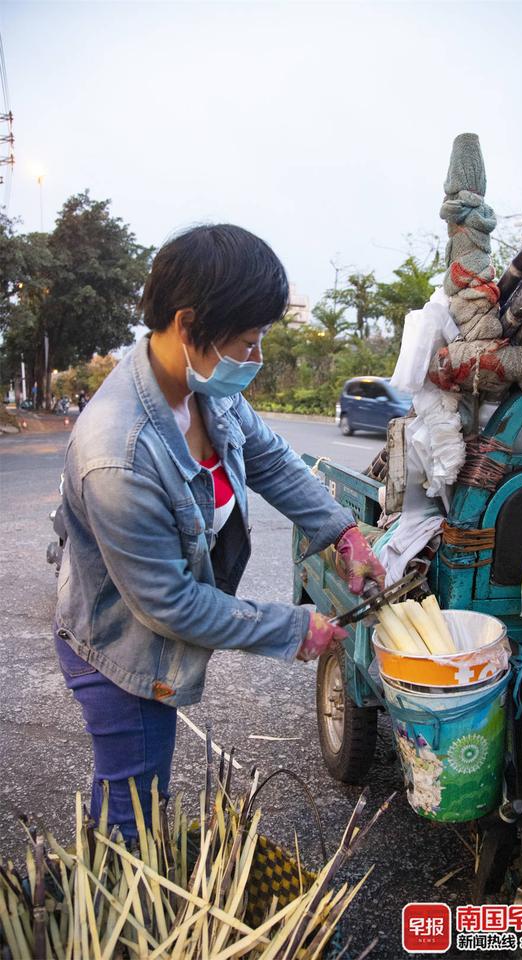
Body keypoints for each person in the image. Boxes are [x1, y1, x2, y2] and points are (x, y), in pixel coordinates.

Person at [54, 223, 386, 839]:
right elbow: (168, 604)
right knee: (133, 805)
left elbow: (271, 459)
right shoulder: (118, 454)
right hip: (122, 648)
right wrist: (292, 628)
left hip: (154, 622)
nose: (255, 359)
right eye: (246, 341)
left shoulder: (208, 390)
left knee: (143, 787)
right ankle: (113, 912)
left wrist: (342, 534)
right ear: (188, 325)